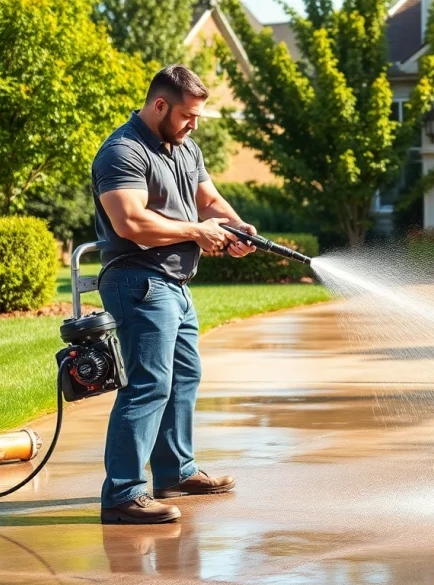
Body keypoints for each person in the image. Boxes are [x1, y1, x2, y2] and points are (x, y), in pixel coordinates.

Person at [90, 65, 257, 524]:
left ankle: (175, 472)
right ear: (159, 105)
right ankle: (123, 494)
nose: (193, 124)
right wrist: (197, 232)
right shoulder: (122, 151)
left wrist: (237, 227)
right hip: (138, 281)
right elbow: (131, 223)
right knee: (148, 385)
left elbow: (210, 202)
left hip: (175, 284)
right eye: (187, 115)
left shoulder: (185, 147)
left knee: (184, 377)